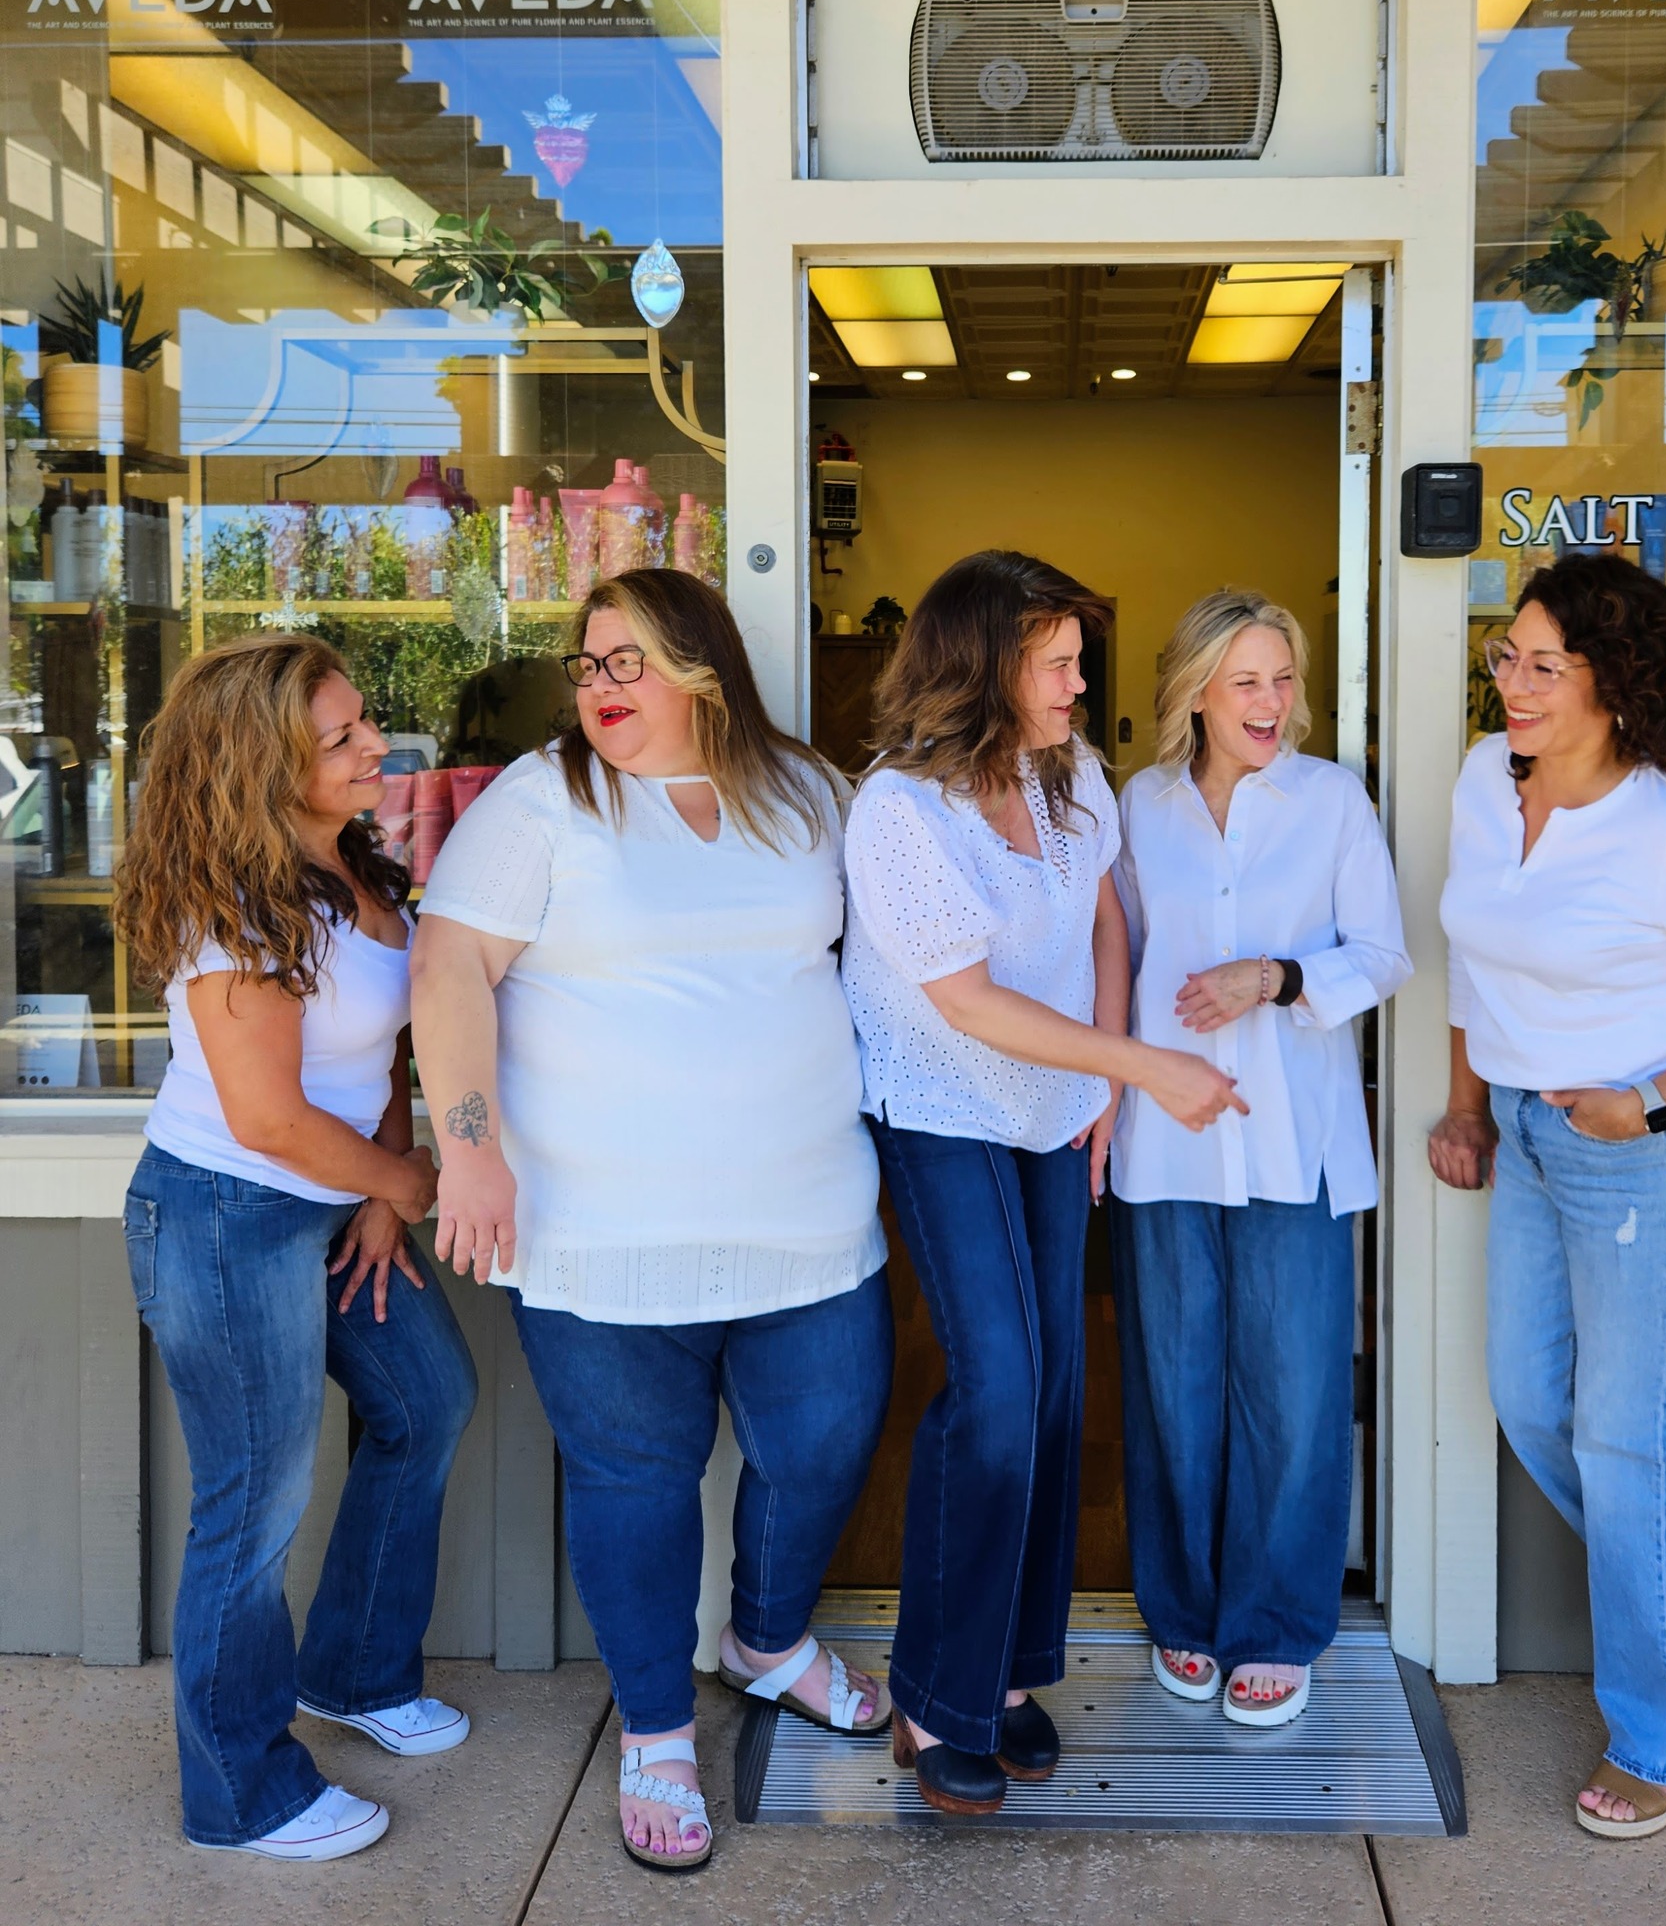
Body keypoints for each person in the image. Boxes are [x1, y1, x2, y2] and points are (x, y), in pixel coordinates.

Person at [410, 569, 893, 1876]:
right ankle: (657, 1733)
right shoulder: (542, 800)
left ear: (705, 667)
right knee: (637, 1483)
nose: (599, 685)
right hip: (599, 1229)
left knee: (827, 1437)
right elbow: (448, 964)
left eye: (629, 660)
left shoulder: (806, 795)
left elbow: (893, 959)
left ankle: (770, 1639)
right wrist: (469, 1154)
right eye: (587, 662)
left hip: (807, 1216)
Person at [842, 549, 1245, 1817]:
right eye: (1059, 661)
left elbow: (1109, 921)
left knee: (1061, 1394)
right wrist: (1144, 1062)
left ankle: (1006, 1678)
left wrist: (1110, 1085)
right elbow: (966, 1000)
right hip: (948, 1109)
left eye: (1079, 657)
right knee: (1000, 1394)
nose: (1081, 682)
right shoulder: (901, 809)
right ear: (986, 666)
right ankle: (932, 1695)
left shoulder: (1071, 776)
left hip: (1059, 1110)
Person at [1428, 554, 1666, 1841]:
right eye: (1508, 658)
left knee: (1633, 1440)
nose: (1516, 685)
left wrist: (1646, 1100)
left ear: (1616, 681)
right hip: (1535, 1140)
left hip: (1642, 1152)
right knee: (1535, 1398)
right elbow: (1472, 964)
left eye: (1547, 665)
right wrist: (1473, 1102)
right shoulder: (1489, 783)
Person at [112, 636, 473, 1862]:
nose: (375, 745)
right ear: (265, 767)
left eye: (364, 722)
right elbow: (267, 1116)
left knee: (428, 1400)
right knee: (251, 1508)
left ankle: (357, 1672)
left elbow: (379, 1049)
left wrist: (381, 1192)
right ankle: (239, 1791)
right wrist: (410, 1179)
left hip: (333, 1201)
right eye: (342, 737)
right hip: (225, 1216)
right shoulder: (236, 911)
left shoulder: (356, 865)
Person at [1109, 590, 1410, 1727]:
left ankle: (1279, 1626)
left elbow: (1382, 954)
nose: (1272, 703)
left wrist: (1277, 976)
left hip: (1295, 1143)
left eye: (1283, 679)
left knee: (1293, 1391)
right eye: (1246, 682)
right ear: (1194, 691)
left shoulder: (1333, 799)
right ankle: (1183, 1612)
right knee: (1174, 1386)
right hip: (1168, 1141)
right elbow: (1115, 956)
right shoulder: (1140, 804)